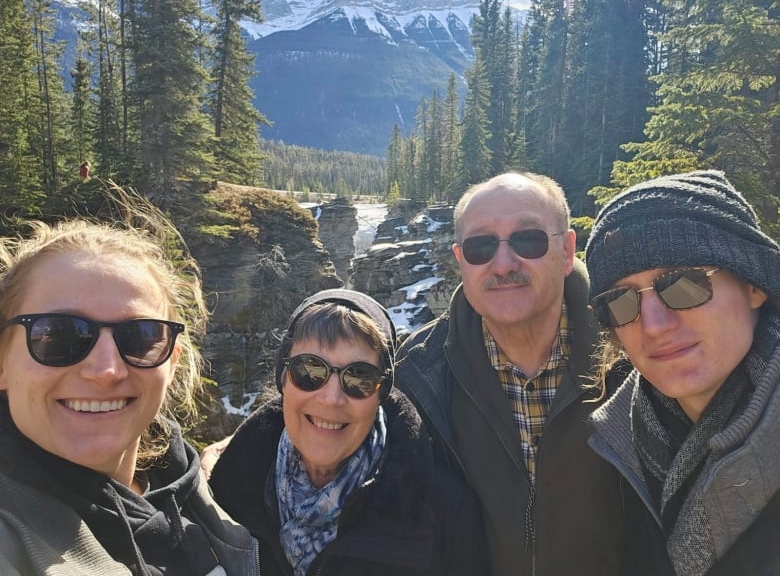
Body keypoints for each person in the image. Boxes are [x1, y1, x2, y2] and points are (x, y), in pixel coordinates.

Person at [0, 211, 259, 575]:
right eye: (58, 336)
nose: (106, 370)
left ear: (171, 362)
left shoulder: (181, 479)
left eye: (140, 337)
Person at [395, 172, 625, 575]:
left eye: (528, 240)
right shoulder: (417, 374)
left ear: (568, 251)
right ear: (461, 260)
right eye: (480, 246)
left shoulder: (633, 350)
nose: (503, 264)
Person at [208, 288, 488, 576]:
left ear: (382, 394)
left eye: (359, 377)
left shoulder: (444, 510)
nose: (331, 398)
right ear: (284, 381)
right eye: (309, 371)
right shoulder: (221, 496)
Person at [585, 169, 780, 576]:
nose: (653, 324)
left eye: (683, 284)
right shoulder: (613, 450)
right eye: (619, 302)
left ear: (754, 285)